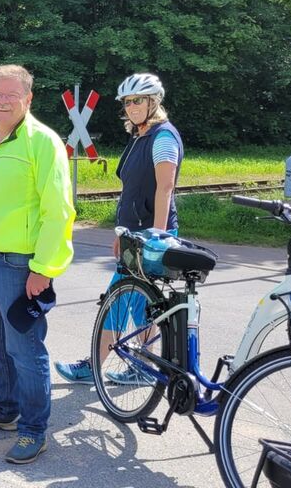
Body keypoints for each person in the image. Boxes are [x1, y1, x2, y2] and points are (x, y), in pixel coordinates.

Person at [0, 64, 75, 464]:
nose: (2, 101)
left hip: (21, 265)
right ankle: (4, 409)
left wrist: (44, 267)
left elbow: (58, 210)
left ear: (28, 99)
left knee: (25, 349)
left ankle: (33, 430)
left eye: (11, 95)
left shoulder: (42, 142)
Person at [54, 72, 183, 386]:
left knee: (119, 298)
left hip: (150, 236)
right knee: (141, 305)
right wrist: (122, 233)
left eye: (138, 100)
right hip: (133, 235)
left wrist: (157, 236)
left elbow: (165, 188)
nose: (132, 106)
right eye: (128, 102)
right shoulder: (139, 136)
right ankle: (142, 366)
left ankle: (95, 367)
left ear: (154, 102)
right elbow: (132, 191)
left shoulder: (162, 137)